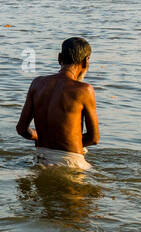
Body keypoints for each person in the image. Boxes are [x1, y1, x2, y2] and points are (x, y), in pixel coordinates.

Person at [16, 36, 99, 170]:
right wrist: (67, 143)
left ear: (59, 58)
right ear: (86, 61)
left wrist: (41, 136)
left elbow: (21, 129)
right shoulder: (84, 90)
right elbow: (93, 138)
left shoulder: (37, 84)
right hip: (70, 163)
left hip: (40, 159)